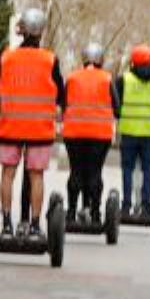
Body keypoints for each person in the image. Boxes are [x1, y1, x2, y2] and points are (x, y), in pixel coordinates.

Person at [0, 9, 63, 230]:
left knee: (8, 174)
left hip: (11, 126)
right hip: (39, 129)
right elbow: (60, 92)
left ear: (22, 30)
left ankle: (5, 222)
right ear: (41, 32)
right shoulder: (50, 60)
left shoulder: (6, 58)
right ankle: (33, 224)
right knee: (36, 176)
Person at [59, 41, 119, 222]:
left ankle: (70, 213)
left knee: (76, 171)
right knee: (95, 172)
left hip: (74, 134)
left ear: (83, 59)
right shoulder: (107, 79)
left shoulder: (72, 78)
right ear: (101, 59)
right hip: (99, 136)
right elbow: (117, 108)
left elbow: (63, 103)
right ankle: (94, 213)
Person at [113, 44, 150, 214]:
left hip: (129, 132)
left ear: (132, 62)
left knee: (127, 169)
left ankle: (125, 205)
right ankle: (146, 207)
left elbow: (115, 106)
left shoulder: (124, 80)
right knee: (148, 169)